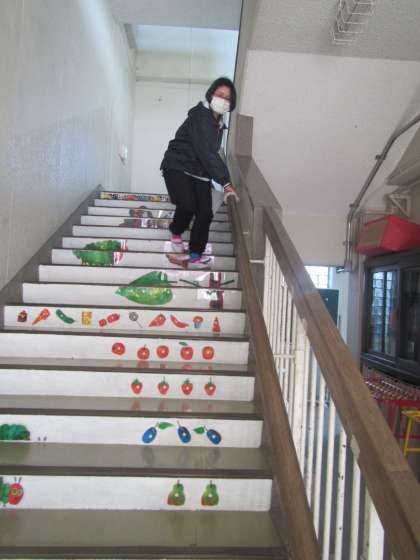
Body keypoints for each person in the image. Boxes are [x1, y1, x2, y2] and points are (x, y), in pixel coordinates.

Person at [160, 76, 239, 269]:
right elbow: (206, 151)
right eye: (219, 94)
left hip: (201, 172)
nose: (222, 99)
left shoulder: (219, 125)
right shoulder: (200, 116)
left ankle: (195, 252)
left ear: (232, 104)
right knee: (188, 204)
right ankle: (176, 231)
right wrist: (226, 183)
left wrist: (220, 179)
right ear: (210, 94)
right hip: (179, 164)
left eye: (227, 98)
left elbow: (209, 155)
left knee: (205, 212)